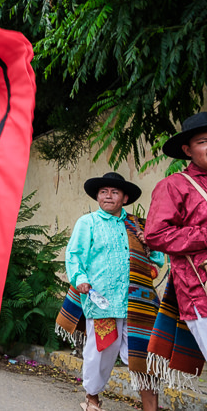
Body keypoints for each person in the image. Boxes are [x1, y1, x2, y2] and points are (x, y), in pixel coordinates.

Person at [63, 172, 164, 411]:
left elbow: (158, 258)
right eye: (103, 192)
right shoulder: (87, 223)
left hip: (138, 302)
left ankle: (150, 406)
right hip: (102, 301)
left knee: (143, 355)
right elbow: (74, 255)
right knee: (100, 353)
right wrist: (80, 279)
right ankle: (92, 399)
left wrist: (149, 247)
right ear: (97, 196)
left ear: (125, 198)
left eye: (114, 192)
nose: (108, 196)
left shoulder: (139, 225)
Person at [146, 112, 207, 360]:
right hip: (200, 291)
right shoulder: (174, 185)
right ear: (187, 150)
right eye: (203, 141)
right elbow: (156, 235)